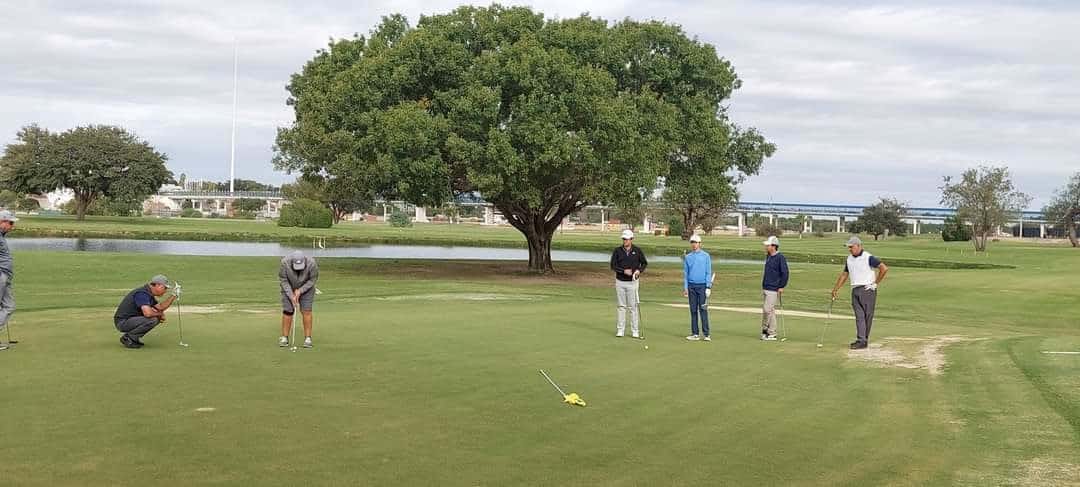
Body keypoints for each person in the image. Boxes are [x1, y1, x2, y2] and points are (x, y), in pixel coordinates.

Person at [831, 236, 889, 350]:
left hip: (868, 289)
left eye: (851, 247)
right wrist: (835, 289)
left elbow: (884, 268)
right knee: (859, 316)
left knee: (867, 316)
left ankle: (863, 340)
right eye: (849, 247)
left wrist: (875, 283)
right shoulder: (849, 259)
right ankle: (861, 340)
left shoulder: (868, 257)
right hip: (855, 289)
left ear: (858, 246)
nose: (850, 249)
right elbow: (844, 274)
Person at [113, 275, 178, 349]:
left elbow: (160, 307)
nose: (165, 290)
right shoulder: (142, 293)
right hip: (122, 322)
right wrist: (159, 314)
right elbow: (148, 313)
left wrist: (174, 295)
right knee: (152, 319)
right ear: (157, 285)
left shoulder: (148, 294)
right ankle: (128, 338)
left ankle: (133, 338)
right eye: (165, 288)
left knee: (155, 318)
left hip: (130, 320)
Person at [610, 229, 648, 338]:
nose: (625, 241)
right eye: (624, 239)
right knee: (621, 306)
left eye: (627, 239)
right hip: (620, 282)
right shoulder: (617, 251)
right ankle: (620, 330)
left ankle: (634, 330)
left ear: (631, 239)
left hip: (633, 282)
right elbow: (613, 266)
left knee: (633, 307)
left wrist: (638, 271)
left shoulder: (637, 250)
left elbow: (644, 263)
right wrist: (623, 271)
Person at [279, 250, 318, 348]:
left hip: (307, 288)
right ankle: (284, 338)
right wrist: (291, 295)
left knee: (307, 311)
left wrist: (300, 290)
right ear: (292, 262)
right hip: (288, 288)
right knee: (288, 311)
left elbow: (312, 280)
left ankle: (308, 339)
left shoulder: (312, 263)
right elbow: (283, 280)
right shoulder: (284, 263)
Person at [683, 234, 713, 342]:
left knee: (703, 310)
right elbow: (686, 274)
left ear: (700, 243)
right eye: (692, 242)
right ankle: (695, 333)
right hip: (691, 286)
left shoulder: (706, 256)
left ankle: (706, 334)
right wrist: (685, 287)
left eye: (696, 242)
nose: (694, 244)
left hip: (702, 287)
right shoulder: (688, 257)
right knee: (693, 310)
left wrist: (708, 287)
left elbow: (708, 272)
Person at [760, 236, 789, 341]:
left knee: (766, 310)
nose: (766, 247)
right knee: (770, 311)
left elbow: (785, 273)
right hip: (766, 287)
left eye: (768, 245)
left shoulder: (780, 258)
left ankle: (765, 330)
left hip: (774, 288)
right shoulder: (768, 256)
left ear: (774, 246)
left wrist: (781, 286)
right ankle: (772, 333)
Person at [0, 210, 17, 351]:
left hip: (5, 276)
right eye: (10, 223)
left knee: (9, 306)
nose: (12, 226)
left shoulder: (2, 236)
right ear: (2, 222)